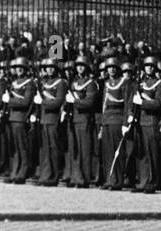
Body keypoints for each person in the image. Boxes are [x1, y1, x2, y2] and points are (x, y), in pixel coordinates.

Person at [97, 57, 134, 189]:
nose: (111, 70)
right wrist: (102, 123)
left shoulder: (124, 82)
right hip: (107, 119)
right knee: (107, 152)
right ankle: (109, 178)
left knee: (117, 152)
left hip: (118, 120)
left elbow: (128, 103)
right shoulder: (106, 83)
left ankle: (117, 181)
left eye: (114, 67)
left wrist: (125, 122)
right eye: (109, 67)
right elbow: (104, 104)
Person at [133, 56, 161, 193]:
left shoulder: (159, 84)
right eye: (147, 66)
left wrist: (143, 103)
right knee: (141, 154)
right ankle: (142, 181)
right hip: (140, 120)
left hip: (151, 121)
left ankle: (153, 182)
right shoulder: (140, 83)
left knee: (152, 153)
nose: (149, 68)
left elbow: (159, 103)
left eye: (152, 66)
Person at [33, 57, 67, 186]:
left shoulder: (60, 83)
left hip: (53, 119)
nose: (50, 70)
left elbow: (57, 102)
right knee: (45, 149)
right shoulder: (44, 83)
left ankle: (54, 176)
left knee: (54, 148)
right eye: (48, 68)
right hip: (44, 119)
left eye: (52, 68)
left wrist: (42, 102)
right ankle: (45, 174)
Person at [6, 57, 39, 184]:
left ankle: (23, 171)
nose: (19, 70)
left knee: (22, 147)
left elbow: (26, 102)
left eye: (22, 68)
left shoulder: (29, 83)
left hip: (21, 118)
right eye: (17, 68)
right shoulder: (14, 83)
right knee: (15, 148)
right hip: (13, 117)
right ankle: (15, 171)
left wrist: (10, 101)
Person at [67, 55, 99, 188]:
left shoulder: (90, 83)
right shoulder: (73, 83)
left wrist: (74, 101)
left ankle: (84, 178)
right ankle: (75, 177)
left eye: (82, 66)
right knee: (74, 149)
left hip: (84, 119)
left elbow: (89, 103)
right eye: (78, 66)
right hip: (74, 118)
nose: (80, 68)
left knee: (85, 149)